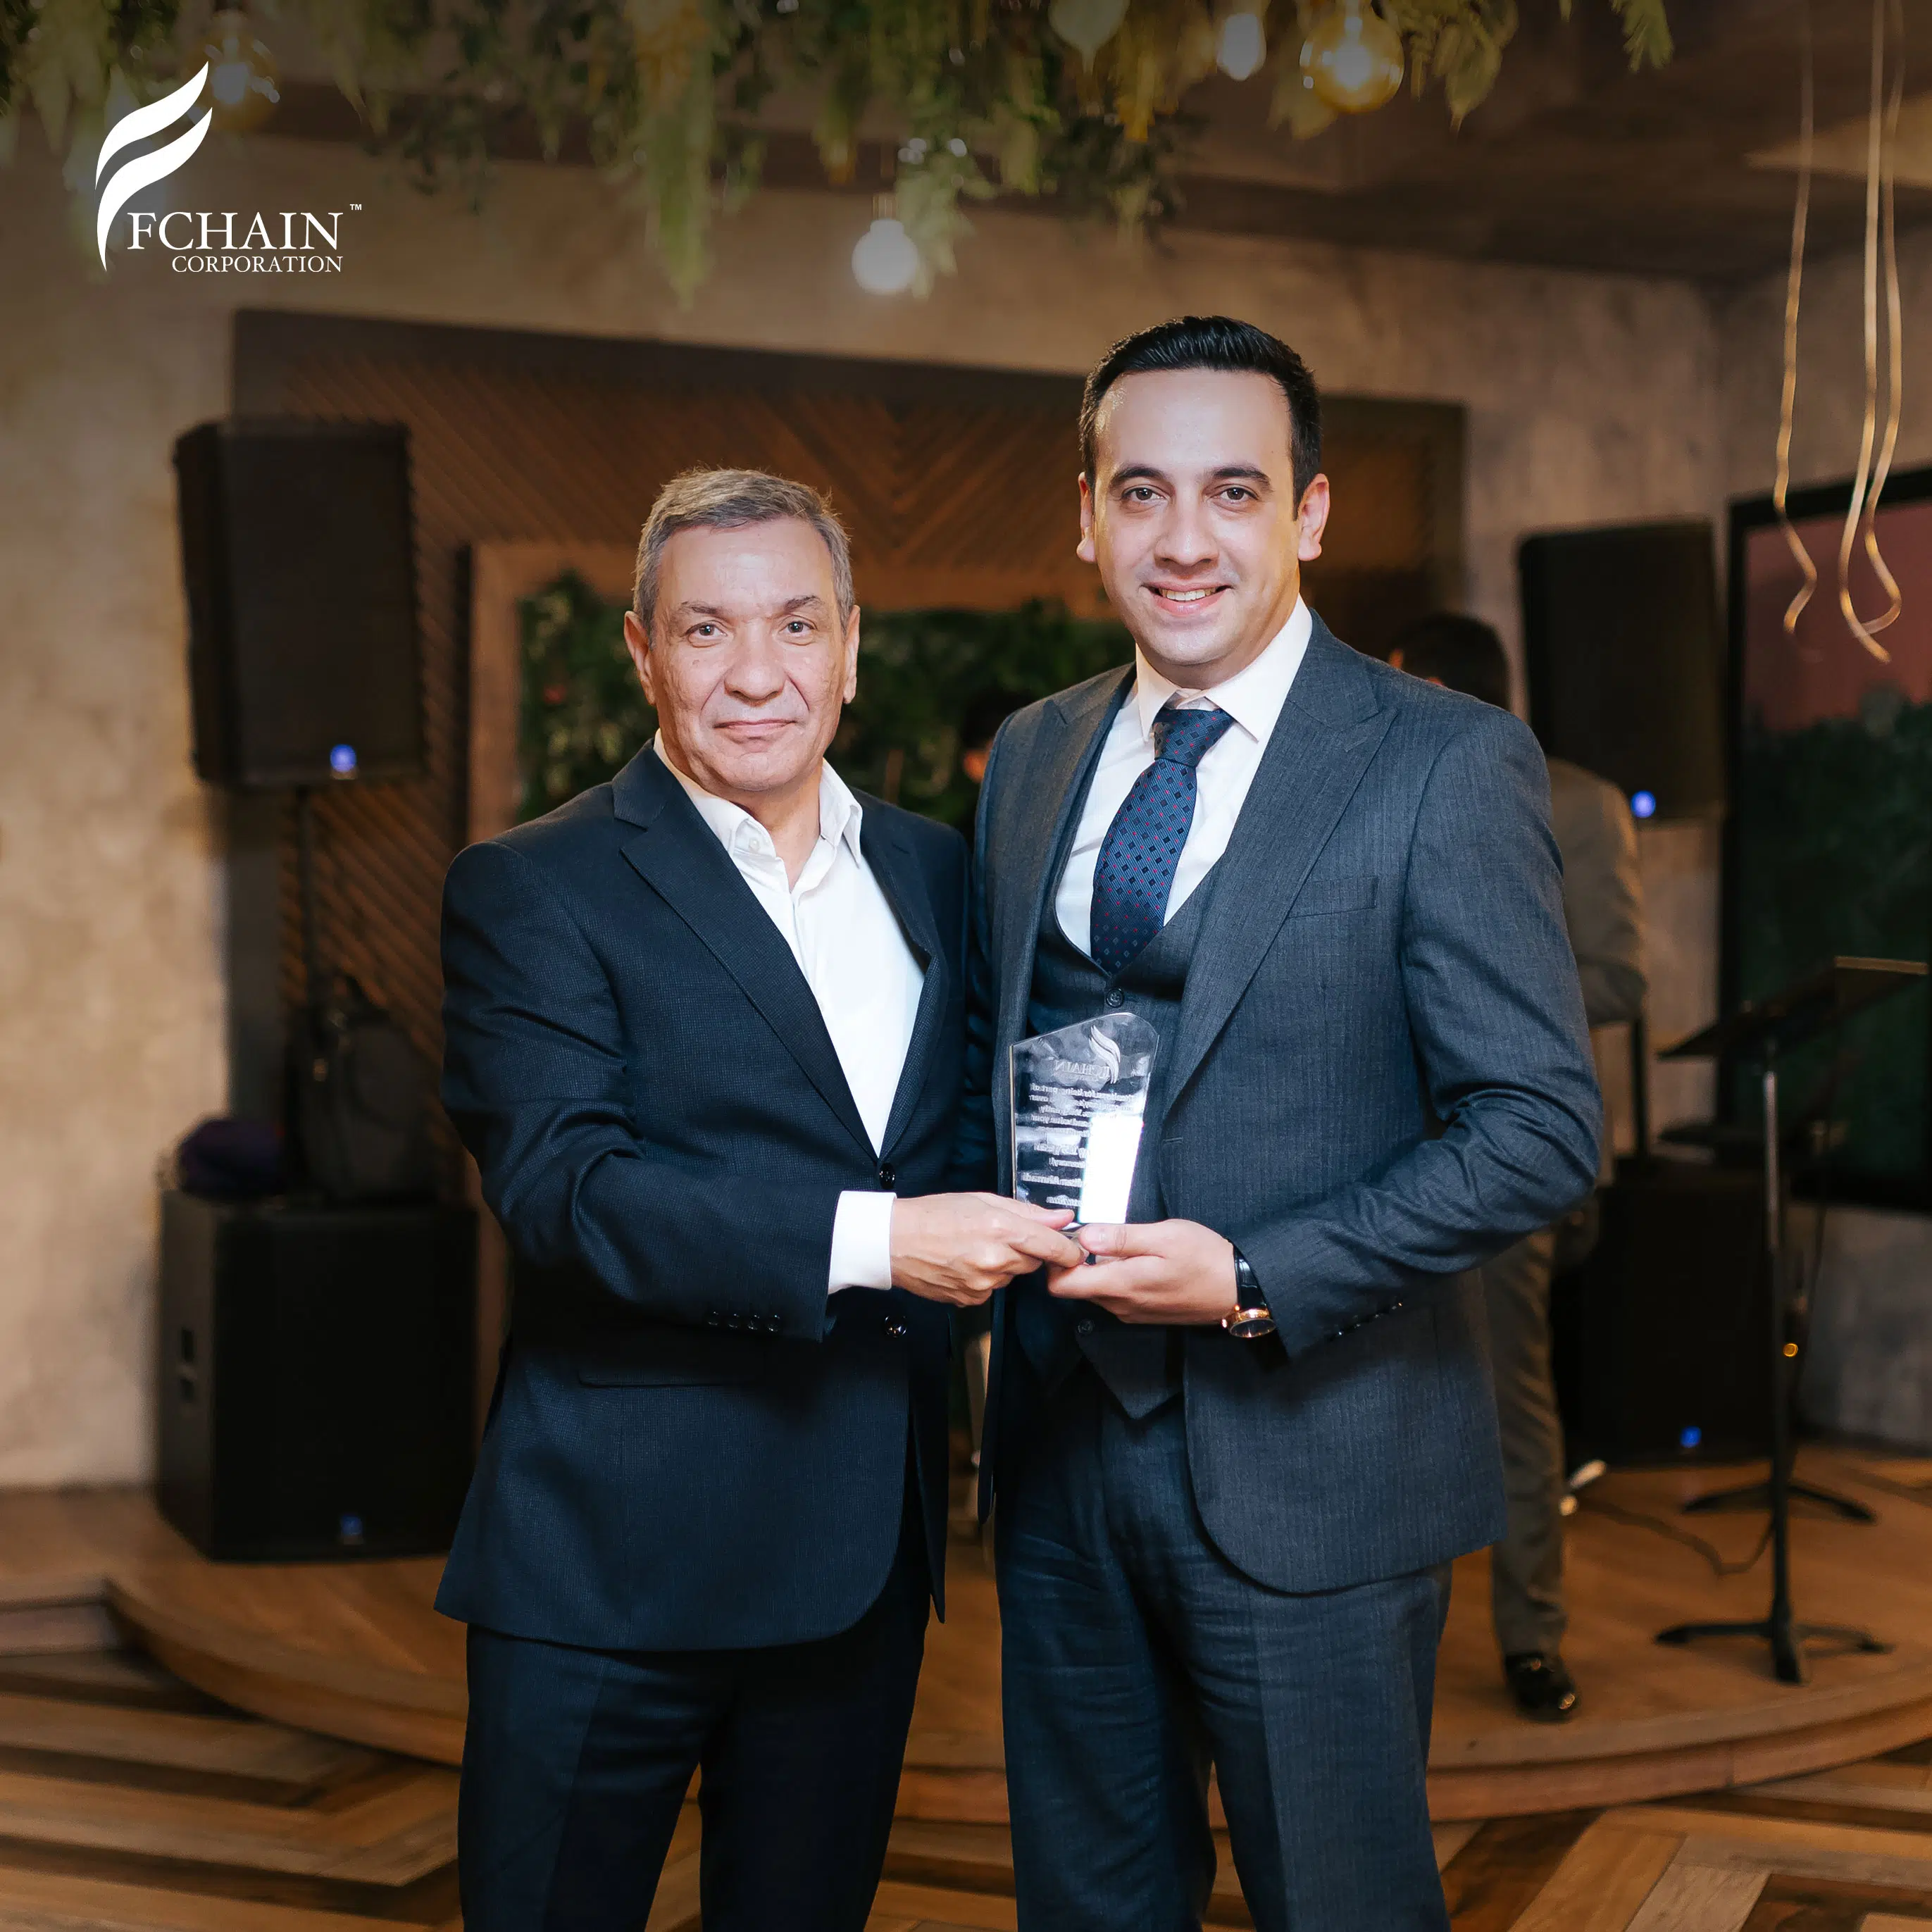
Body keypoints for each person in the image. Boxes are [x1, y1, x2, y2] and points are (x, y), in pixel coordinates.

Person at [959, 318, 1602, 1932]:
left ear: (1309, 513)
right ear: (1087, 515)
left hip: (1321, 1458)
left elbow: (1538, 1125)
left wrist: (1254, 1277)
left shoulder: (1445, 762)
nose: (1185, 539)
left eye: (1233, 491)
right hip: (1059, 1450)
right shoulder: (1031, 754)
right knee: (1089, 1907)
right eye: (1143, 492)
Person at [437, 467, 1083, 1931]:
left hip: (857, 1568)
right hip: (607, 1567)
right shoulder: (533, 886)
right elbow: (567, 1194)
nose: (754, 672)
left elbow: (981, 1125)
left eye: (795, 624)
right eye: (705, 629)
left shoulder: (935, 869)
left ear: (850, 646)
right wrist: (882, 1242)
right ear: (643, 652)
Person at [1390, 611, 1647, 1722]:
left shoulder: (1576, 800)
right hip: (1374, 1156)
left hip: (1497, 1150)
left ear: (1434, 684)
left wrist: (1466, 989)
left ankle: (1531, 1634)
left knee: (1511, 1401)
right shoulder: (1374, 782)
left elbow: (1620, 979)